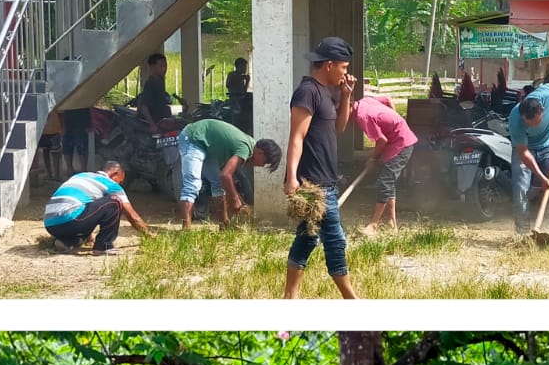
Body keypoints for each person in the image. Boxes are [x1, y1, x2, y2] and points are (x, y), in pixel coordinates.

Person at [284, 37, 359, 299]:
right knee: (335, 239)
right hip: (313, 183)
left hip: (325, 179)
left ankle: (290, 297)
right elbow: (296, 136)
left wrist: (346, 96)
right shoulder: (307, 92)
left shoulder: (326, 92)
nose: (346, 73)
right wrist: (292, 177)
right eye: (343, 67)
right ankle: (351, 299)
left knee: (307, 238)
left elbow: (339, 127)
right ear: (328, 65)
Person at [175, 117, 280, 229]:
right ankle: (186, 230)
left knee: (218, 184)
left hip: (207, 146)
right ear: (260, 153)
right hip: (193, 138)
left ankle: (224, 226)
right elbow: (225, 175)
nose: (262, 165)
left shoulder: (250, 145)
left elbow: (225, 180)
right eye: (265, 162)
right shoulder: (245, 148)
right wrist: (235, 199)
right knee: (193, 184)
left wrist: (238, 198)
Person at [43, 159, 151, 256]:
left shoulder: (80, 176)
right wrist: (150, 236)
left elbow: (88, 209)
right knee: (115, 201)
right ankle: (103, 246)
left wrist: (89, 237)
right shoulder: (111, 184)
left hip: (51, 224)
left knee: (87, 213)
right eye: (120, 180)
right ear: (115, 173)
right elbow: (132, 216)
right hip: (71, 217)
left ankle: (66, 242)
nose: (120, 184)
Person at [348, 91, 419, 235]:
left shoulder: (363, 117)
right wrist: (396, 120)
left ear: (349, 105)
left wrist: (373, 159)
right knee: (388, 181)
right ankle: (391, 223)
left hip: (402, 143)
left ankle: (373, 225)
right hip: (396, 139)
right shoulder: (365, 101)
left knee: (384, 182)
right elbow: (387, 99)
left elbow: (382, 141)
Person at [508, 79, 549, 234]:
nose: (531, 126)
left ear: (542, 110)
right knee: (520, 188)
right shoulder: (515, 120)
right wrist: (542, 178)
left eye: (535, 122)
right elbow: (524, 153)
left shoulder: (547, 94)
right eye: (528, 123)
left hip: (547, 147)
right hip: (525, 150)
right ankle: (522, 233)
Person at [136, 53, 174, 132]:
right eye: (161, 66)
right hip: (155, 123)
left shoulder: (160, 81)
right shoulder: (150, 84)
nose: (164, 69)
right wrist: (152, 124)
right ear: (152, 67)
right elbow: (144, 106)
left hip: (162, 122)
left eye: (165, 66)